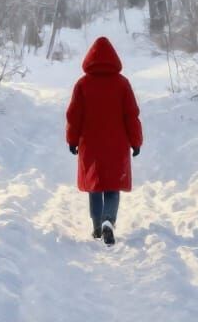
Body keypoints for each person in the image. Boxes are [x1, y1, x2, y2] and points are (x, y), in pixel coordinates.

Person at [65, 36, 143, 246]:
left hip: (90, 144)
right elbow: (131, 115)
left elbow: (74, 116)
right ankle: (109, 220)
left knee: (95, 186)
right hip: (116, 144)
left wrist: (72, 139)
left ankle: (97, 226)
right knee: (112, 186)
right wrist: (136, 142)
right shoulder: (122, 83)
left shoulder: (82, 84)